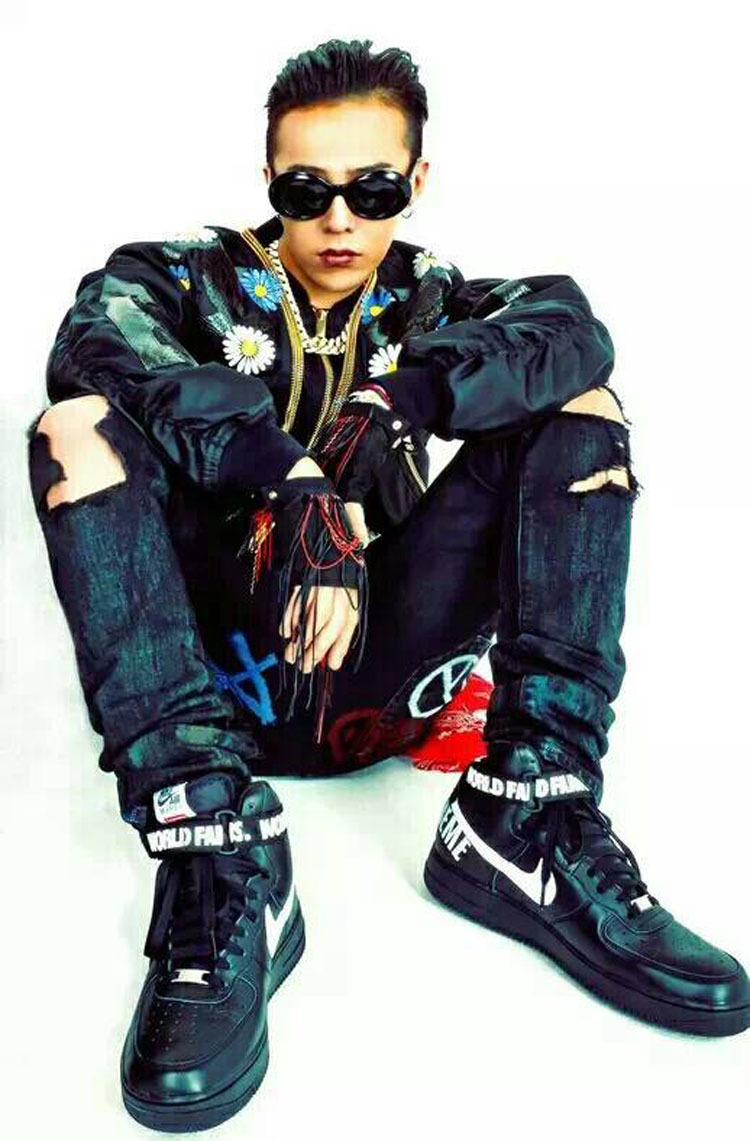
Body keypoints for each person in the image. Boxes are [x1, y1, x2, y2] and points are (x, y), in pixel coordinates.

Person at [26, 35, 748, 1134]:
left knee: (582, 409)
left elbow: (571, 329)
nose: (338, 220)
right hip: (211, 691)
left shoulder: (432, 298)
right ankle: (220, 853)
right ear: (268, 179)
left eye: (371, 190)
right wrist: (293, 480)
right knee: (75, 427)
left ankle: (525, 813)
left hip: (381, 681)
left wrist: (404, 398)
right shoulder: (174, 277)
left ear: (417, 181)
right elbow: (96, 346)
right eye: (306, 190)